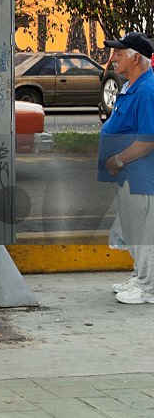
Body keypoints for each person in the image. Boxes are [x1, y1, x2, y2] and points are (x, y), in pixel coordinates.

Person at [98, 32, 154, 305]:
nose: (114, 58)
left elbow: (148, 140)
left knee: (143, 229)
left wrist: (118, 160)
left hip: (139, 174)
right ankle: (141, 276)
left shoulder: (147, 90)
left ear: (135, 57)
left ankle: (149, 287)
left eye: (119, 53)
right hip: (127, 174)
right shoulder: (131, 85)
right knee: (131, 228)